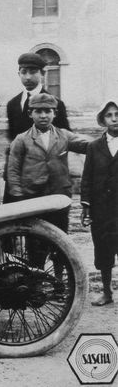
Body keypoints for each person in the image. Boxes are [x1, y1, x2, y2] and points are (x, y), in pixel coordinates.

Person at [7, 94, 88, 235]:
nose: (43, 116)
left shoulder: (64, 136)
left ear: (55, 113)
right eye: (38, 111)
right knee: (35, 239)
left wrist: (110, 139)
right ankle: (36, 257)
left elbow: (89, 146)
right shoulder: (21, 139)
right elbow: (13, 170)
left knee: (60, 236)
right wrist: (19, 197)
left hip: (59, 196)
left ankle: (59, 257)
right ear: (30, 113)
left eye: (48, 111)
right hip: (32, 197)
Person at [80, 99, 118, 306]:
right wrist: (86, 206)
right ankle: (106, 292)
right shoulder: (94, 147)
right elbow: (87, 178)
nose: (114, 119)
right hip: (102, 210)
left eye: (117, 114)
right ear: (103, 120)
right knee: (103, 251)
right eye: (109, 115)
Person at [6, 53, 70, 141]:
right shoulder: (12, 104)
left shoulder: (56, 103)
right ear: (19, 74)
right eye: (24, 72)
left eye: (32, 72)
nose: (28, 77)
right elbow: (12, 137)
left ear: (43, 73)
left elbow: (65, 137)